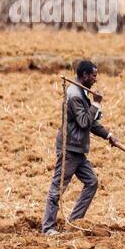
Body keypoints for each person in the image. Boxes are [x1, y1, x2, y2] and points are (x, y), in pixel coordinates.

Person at [41, 60, 117, 235]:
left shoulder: (82, 92)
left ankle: (74, 222)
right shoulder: (74, 95)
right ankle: (48, 228)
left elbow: (90, 123)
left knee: (91, 182)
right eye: (93, 75)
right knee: (58, 187)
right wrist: (96, 104)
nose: (95, 79)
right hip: (70, 149)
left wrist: (108, 135)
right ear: (84, 75)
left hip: (78, 149)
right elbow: (84, 122)